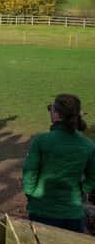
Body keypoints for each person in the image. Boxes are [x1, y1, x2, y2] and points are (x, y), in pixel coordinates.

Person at [23, 94, 95, 233]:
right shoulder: (87, 145)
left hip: (42, 210)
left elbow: (29, 174)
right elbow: (92, 178)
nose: (50, 111)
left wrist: (32, 195)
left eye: (51, 108)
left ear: (57, 114)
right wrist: (82, 190)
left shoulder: (41, 141)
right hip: (72, 212)